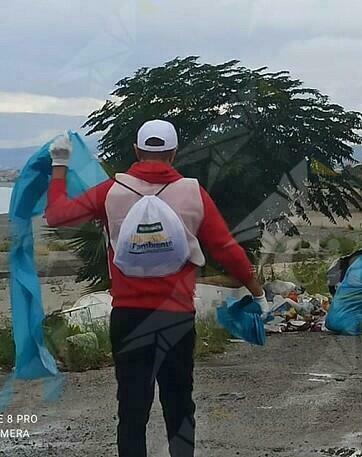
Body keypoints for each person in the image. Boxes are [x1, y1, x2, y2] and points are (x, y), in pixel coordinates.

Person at [44, 120, 264, 457]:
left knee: (132, 410)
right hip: (176, 318)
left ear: (136, 151)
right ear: (173, 153)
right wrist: (255, 288)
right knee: (179, 406)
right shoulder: (193, 192)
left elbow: (58, 215)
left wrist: (59, 164)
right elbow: (225, 248)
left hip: (129, 317)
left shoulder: (111, 192)